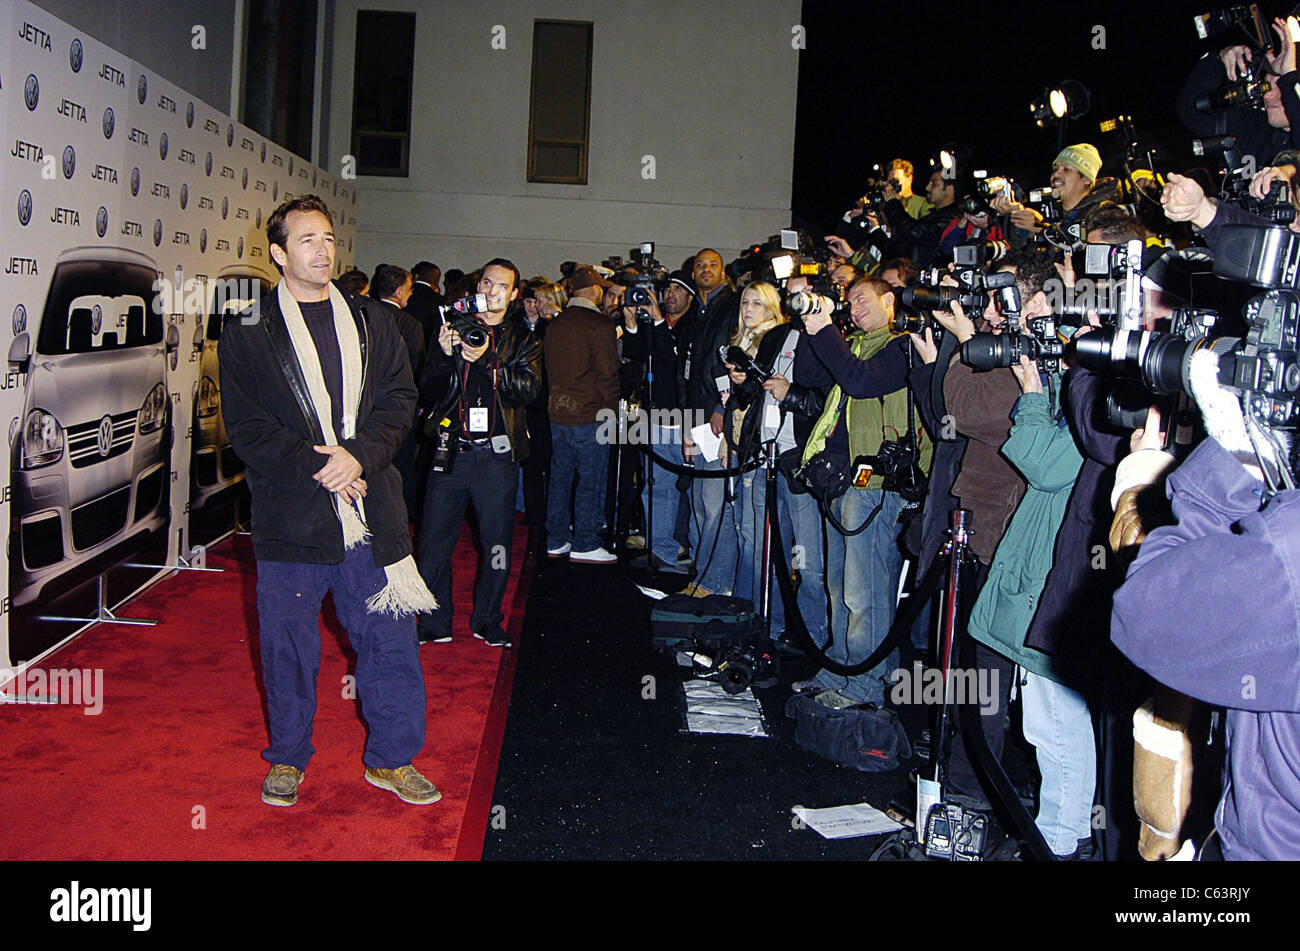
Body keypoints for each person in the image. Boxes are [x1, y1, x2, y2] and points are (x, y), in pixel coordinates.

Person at [219, 194, 440, 807]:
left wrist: (358, 455)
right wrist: (327, 467)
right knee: (287, 644)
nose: (323, 250)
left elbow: (401, 401)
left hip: (373, 510)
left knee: (389, 640)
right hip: (293, 513)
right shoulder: (246, 330)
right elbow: (249, 429)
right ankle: (288, 757)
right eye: (308, 240)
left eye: (329, 239)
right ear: (278, 253)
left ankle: (393, 760)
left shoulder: (375, 321)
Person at [794, 275, 932, 708]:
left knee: (864, 590)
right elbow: (809, 372)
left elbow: (859, 382)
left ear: (890, 301)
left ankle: (866, 685)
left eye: (862, 301)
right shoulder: (852, 342)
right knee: (840, 587)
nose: (854, 310)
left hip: (879, 484)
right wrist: (811, 323)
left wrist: (825, 331)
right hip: (843, 480)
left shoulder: (903, 345)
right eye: (849, 302)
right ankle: (841, 666)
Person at [417, 258, 542, 647]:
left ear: (514, 294)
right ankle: (435, 620)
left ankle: (488, 618)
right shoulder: (453, 327)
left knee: (498, 545)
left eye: (501, 286)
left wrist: (488, 359)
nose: (491, 291)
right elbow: (428, 389)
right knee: (434, 541)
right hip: (450, 450)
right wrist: (441, 354)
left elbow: (528, 391)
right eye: (486, 282)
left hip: (495, 456)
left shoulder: (523, 339)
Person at [723, 281, 828, 651]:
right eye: (792, 293)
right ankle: (770, 626)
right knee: (770, 551)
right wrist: (741, 383)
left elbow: (831, 404)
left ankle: (811, 637)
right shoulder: (778, 335)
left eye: (805, 292)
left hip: (802, 463)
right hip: (765, 455)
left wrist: (792, 394)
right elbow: (757, 392)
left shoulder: (830, 339)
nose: (797, 299)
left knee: (810, 561)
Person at [544, 266, 621, 563]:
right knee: (592, 479)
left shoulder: (555, 324)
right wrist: (611, 412)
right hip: (590, 414)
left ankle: (557, 539)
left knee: (560, 478)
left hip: (558, 412)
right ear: (596, 291)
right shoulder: (599, 325)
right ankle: (586, 542)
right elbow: (607, 375)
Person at [682, 249, 741, 595]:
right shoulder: (698, 310)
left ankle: (714, 583)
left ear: (724, 272)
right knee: (702, 504)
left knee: (715, 505)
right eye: (700, 265)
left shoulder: (730, 305)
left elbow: (731, 362)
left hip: (718, 415)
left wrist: (725, 407)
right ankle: (703, 576)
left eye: (713, 265)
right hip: (698, 416)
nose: (706, 269)